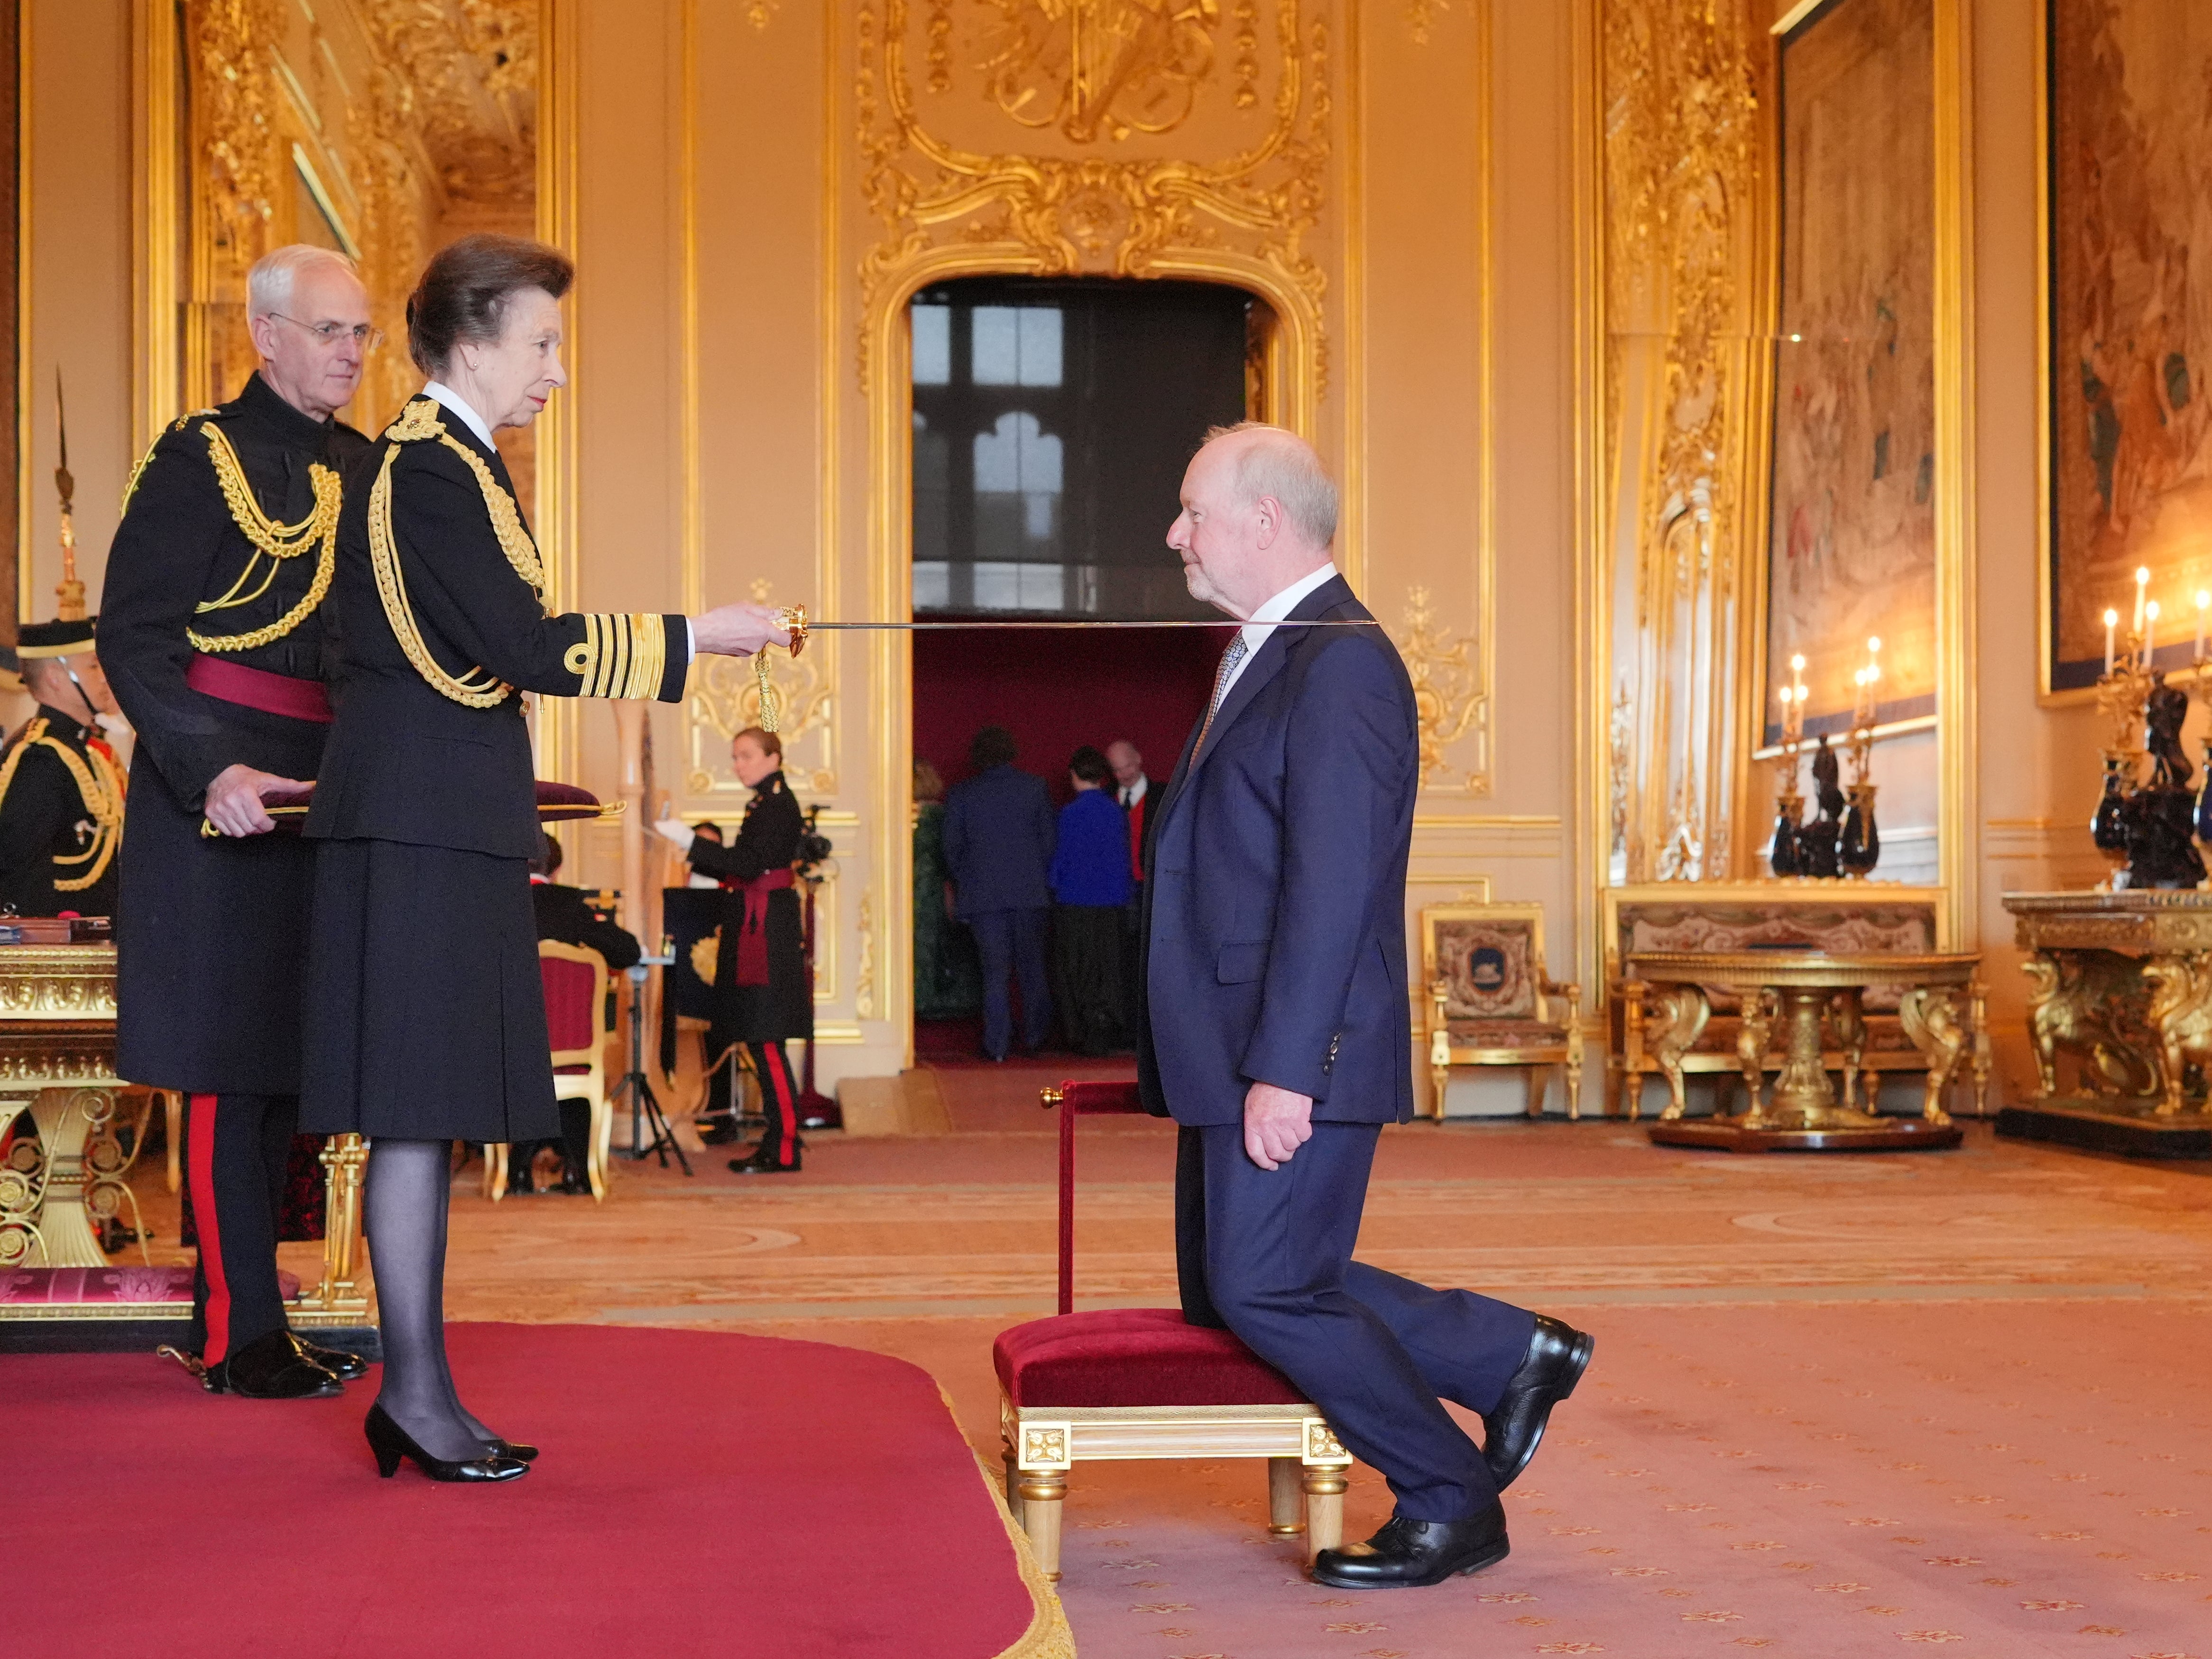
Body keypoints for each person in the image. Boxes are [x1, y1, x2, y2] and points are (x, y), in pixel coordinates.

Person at [296, 233, 785, 1481]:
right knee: (413, 1115)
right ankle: (415, 1396)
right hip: (416, 824)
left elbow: (483, 647)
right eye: (543, 341)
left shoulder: (447, 462)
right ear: (472, 342)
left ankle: (420, 1392)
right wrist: (699, 636)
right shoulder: (430, 470)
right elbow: (525, 644)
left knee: (425, 1115)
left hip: (435, 819)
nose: (556, 370)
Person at [1139, 424, 1595, 1589]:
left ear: (1264, 521)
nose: (1176, 533)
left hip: (1292, 1046)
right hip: (1236, 1038)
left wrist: (1289, 1068)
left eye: (1192, 511)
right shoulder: (1270, 648)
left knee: (1266, 1282)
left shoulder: (1338, 658)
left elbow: (1333, 886)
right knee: (1234, 1284)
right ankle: (1507, 1348)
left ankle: (1450, 1494)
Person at [98, 244, 376, 1401]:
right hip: (214, 791)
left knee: (296, 1063)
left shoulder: (370, 467)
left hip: (335, 789)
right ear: (265, 334)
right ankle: (236, 1330)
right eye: (330, 331)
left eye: (362, 334)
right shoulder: (197, 458)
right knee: (226, 1068)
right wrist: (210, 766)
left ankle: (277, 1312)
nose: (353, 354)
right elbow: (135, 635)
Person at [651, 727, 813, 1174]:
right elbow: (743, 866)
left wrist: (687, 840)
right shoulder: (766, 801)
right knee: (761, 1039)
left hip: (766, 930)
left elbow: (744, 864)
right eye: (735, 757)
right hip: (759, 925)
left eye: (746, 756)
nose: (738, 764)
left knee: (766, 1039)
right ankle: (779, 1143)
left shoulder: (777, 805)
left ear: (773, 759)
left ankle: (783, 1147)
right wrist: (691, 848)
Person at [515, 831, 641, 1195]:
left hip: (512, 1046)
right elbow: (627, 952)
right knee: (567, 1057)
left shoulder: (495, 905)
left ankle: (517, 1169)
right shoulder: (572, 906)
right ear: (558, 868)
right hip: (574, 1047)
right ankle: (576, 1168)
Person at [941, 726, 1055, 1061]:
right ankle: (1035, 1040)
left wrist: (968, 880)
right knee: (1032, 969)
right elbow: (1049, 842)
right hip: (1029, 893)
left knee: (994, 974)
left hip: (983, 897)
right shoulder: (1034, 788)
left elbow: (951, 848)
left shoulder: (963, 794)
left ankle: (997, 1046)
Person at [0, 620, 126, 920]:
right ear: (57, 676)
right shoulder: (40, 755)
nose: (105, 677)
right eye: (94, 667)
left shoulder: (84, 750)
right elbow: (20, 875)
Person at [1046, 745, 1131, 1055]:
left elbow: (1062, 857)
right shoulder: (1115, 812)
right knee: (1108, 970)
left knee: (1077, 970)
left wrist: (1053, 884)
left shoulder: (1068, 814)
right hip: (1111, 903)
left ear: (1074, 776)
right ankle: (1107, 1031)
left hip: (1075, 902)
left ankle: (1082, 1033)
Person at [912, 758, 982, 1023]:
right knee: (936, 945)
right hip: (935, 891)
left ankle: (915, 999)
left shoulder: (899, 819)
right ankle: (935, 999)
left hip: (909, 890)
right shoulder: (942, 818)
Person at [1105, 737, 1157, 1043]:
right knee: (1118, 961)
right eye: (1117, 770)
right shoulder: (1107, 799)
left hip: (1151, 891)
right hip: (1115, 894)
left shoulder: (1164, 795)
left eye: (1127, 767)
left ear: (1138, 759)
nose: (1124, 774)